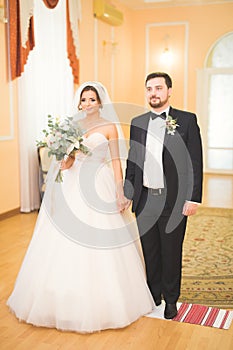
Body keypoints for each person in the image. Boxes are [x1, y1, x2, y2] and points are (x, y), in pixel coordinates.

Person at [7, 82, 155, 333]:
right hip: (72, 184)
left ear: (100, 102)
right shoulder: (70, 126)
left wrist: (120, 190)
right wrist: (65, 160)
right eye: (83, 100)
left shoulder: (110, 127)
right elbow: (66, 160)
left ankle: (105, 300)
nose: (87, 104)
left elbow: (117, 160)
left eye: (92, 100)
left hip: (99, 183)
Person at [124, 72, 203, 319]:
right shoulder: (137, 122)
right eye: (149, 89)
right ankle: (152, 295)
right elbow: (133, 160)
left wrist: (193, 197)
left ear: (169, 91)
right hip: (146, 199)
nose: (153, 93)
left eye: (158, 88)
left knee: (171, 252)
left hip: (174, 199)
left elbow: (195, 161)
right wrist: (129, 192)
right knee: (151, 251)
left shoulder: (187, 120)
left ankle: (170, 300)